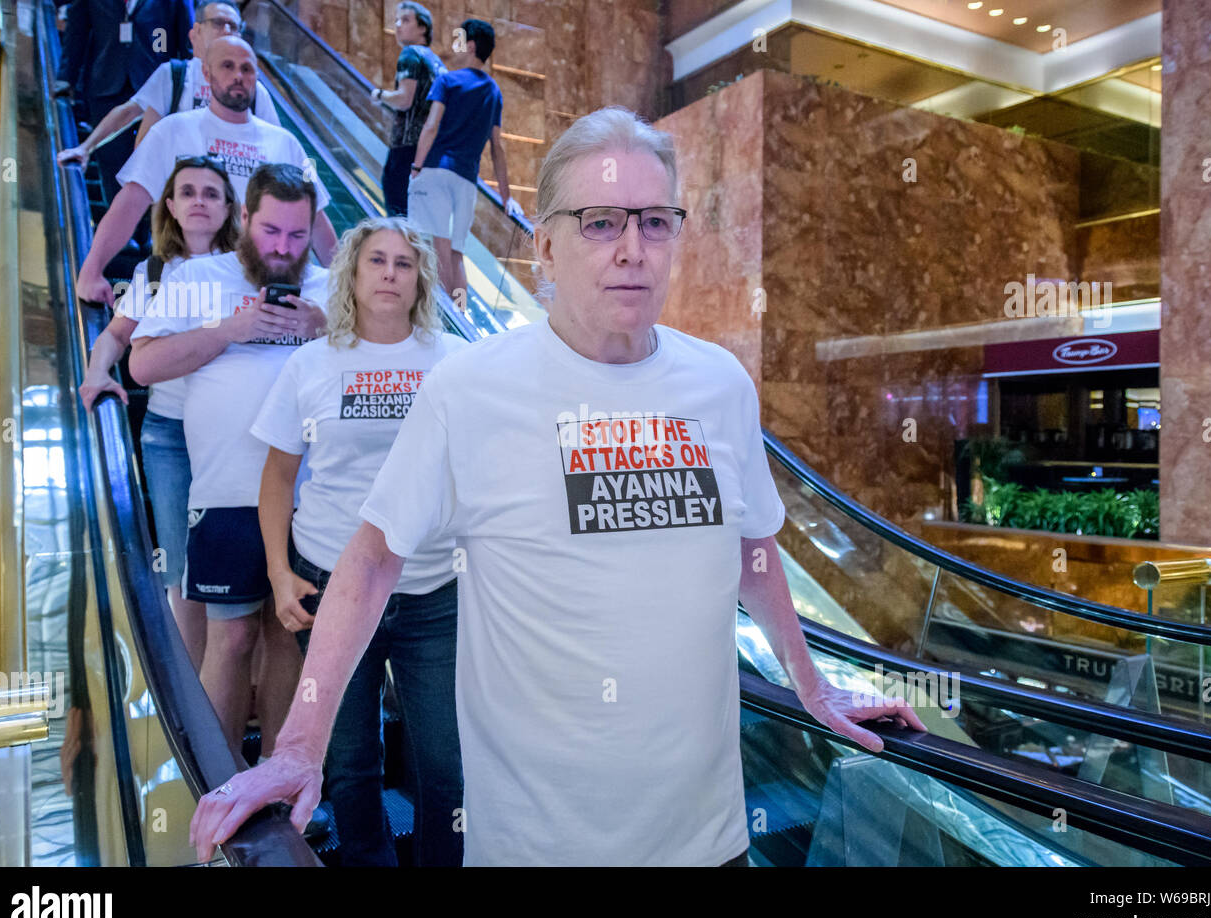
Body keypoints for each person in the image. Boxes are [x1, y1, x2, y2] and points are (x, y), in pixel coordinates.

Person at [190, 107, 925, 866]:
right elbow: (373, 559)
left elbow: (756, 549)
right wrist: (299, 747)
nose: (633, 251)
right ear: (545, 244)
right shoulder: (469, 389)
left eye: (655, 222)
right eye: (600, 223)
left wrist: (813, 687)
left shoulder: (720, 384)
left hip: (710, 845)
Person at [252, 217, 466, 866]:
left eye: (405, 264)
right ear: (352, 272)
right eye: (377, 261)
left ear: (420, 280)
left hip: (433, 591)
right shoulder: (310, 364)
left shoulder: (455, 363)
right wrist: (278, 575)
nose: (390, 274)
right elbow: (278, 477)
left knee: (446, 764)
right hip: (329, 584)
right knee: (349, 763)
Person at [130, 163, 330, 760]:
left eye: (297, 235)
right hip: (224, 494)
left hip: (311, 500)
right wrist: (229, 328)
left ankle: (275, 774)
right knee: (233, 635)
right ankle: (217, 786)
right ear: (244, 218)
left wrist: (324, 329)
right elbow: (142, 366)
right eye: (270, 230)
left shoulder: (329, 285)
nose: (282, 248)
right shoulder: (198, 275)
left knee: (288, 640)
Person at [78, 155, 240, 667]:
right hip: (170, 436)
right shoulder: (151, 272)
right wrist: (96, 372)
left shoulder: (248, 270)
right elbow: (116, 336)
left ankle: (241, 681)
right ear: (169, 205)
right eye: (187, 191)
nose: (198, 201)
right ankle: (191, 685)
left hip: (237, 433)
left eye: (211, 193)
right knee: (179, 566)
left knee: (243, 562)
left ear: (229, 207)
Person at [75, 35, 338, 306]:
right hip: (183, 290)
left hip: (256, 294)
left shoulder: (285, 142)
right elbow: (129, 205)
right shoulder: (171, 130)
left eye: (246, 68)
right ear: (206, 72)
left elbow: (315, 220)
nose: (238, 75)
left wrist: (345, 285)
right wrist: (92, 270)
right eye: (227, 66)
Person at [56, 1, 279, 170]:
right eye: (219, 24)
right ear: (198, 32)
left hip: (234, 199)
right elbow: (127, 112)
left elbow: (279, 145)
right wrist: (85, 148)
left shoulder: (253, 90)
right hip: (184, 188)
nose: (227, 31)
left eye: (233, 26)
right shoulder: (174, 75)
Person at [407, 18, 521, 296]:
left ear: (470, 46)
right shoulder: (494, 91)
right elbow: (497, 148)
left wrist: (416, 166)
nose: (453, 46)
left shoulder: (447, 81)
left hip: (436, 172)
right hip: (467, 182)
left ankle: (447, 322)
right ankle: (461, 318)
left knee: (438, 251)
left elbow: (431, 126)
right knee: (456, 255)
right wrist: (506, 197)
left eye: (458, 40)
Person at [56, 0, 195, 204]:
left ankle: (144, 230)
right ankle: (125, 230)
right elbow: (76, 33)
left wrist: (189, 88)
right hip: (105, 86)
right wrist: (65, 78)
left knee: (152, 169)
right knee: (112, 170)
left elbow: (187, 42)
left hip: (158, 92)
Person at [369, 3, 444, 217]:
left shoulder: (410, 54)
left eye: (405, 20)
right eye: (396, 21)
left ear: (423, 28)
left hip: (406, 149)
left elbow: (404, 99)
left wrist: (379, 95)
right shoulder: (435, 62)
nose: (398, 26)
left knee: (398, 214)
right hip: (430, 153)